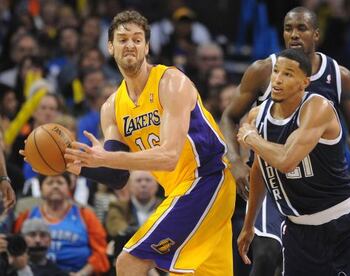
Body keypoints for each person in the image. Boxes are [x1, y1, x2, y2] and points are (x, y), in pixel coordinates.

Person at [61, 10, 235, 276]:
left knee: (129, 261)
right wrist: (80, 165)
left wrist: (103, 158)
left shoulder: (171, 82)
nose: (130, 44)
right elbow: (117, 175)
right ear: (110, 46)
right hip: (179, 190)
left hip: (207, 181)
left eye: (137, 39)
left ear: (147, 46)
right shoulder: (111, 108)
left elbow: (169, 157)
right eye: (122, 39)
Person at [220, 6, 350, 275]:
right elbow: (229, 117)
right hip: (272, 179)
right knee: (266, 255)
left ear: (316, 34)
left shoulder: (338, 77)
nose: (294, 34)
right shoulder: (263, 71)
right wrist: (235, 161)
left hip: (319, 183)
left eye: (301, 28)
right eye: (288, 28)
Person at [237, 48, 350, 276]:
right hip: (300, 232)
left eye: (288, 74)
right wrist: (249, 226)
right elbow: (260, 169)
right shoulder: (257, 116)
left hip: (347, 224)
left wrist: (252, 138)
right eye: (276, 72)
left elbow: (286, 160)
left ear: (304, 82)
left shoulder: (318, 108)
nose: (278, 79)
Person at [14, 173, 109, 275]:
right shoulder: (28, 214)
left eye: (60, 182)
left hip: (76, 272)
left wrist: (82, 274)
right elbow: (14, 246)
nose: (55, 186)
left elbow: (100, 252)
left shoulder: (86, 215)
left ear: (69, 188)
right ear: (41, 188)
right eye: (50, 183)